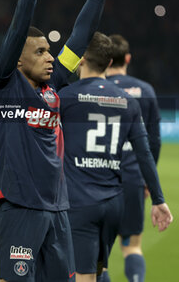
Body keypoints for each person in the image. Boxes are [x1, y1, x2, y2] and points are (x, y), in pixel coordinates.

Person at [0, 0, 116, 281]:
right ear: (18, 59)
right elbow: (17, 29)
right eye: (39, 52)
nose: (50, 58)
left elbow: (81, 35)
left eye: (49, 51)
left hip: (57, 210)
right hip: (16, 208)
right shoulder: (3, 86)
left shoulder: (54, 87)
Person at [58, 31, 173, 282]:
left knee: (83, 275)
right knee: (100, 268)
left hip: (81, 202)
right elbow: (144, 152)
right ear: (110, 63)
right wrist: (158, 199)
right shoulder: (128, 101)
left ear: (80, 60)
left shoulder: (65, 98)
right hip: (113, 204)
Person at [104, 34, 161, 282]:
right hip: (133, 179)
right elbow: (154, 141)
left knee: (97, 256)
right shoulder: (145, 90)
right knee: (132, 247)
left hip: (99, 178)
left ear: (105, 60)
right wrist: (148, 178)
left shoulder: (93, 89)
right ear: (127, 58)